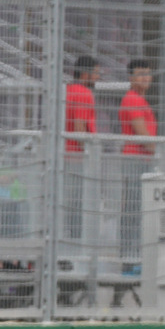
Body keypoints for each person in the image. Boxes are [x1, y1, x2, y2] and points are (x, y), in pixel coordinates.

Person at [118, 59, 155, 273]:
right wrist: (155, 148)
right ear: (131, 78)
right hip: (135, 161)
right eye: (140, 74)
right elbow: (143, 137)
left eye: (148, 74)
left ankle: (133, 257)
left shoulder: (140, 99)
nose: (145, 78)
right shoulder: (133, 100)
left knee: (137, 209)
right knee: (133, 210)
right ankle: (130, 260)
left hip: (140, 161)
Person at [63, 54, 98, 241]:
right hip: (76, 157)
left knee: (65, 203)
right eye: (96, 73)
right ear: (86, 74)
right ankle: (76, 243)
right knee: (77, 204)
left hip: (64, 155)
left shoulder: (68, 91)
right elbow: (79, 128)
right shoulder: (84, 94)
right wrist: (90, 154)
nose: (98, 78)